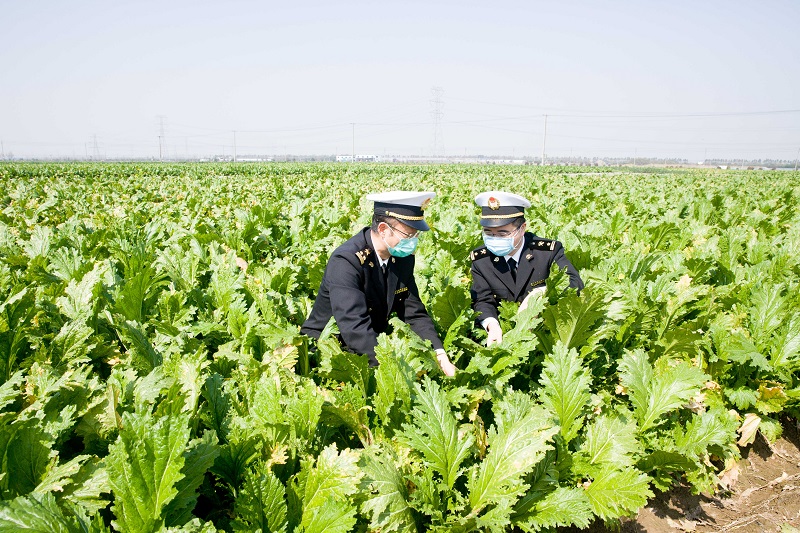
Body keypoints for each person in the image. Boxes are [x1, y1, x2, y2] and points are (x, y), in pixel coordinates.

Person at [301, 191, 457, 376]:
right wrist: (395, 371)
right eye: (408, 235)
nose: (413, 242)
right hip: (329, 352)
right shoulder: (346, 261)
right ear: (383, 229)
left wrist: (439, 355)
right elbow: (354, 328)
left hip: (373, 345)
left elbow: (414, 313)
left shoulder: (402, 258)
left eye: (416, 235)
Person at [470, 191, 584, 346]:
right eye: (489, 233)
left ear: (522, 228)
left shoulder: (547, 252)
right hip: (504, 336)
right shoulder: (481, 260)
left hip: (546, 336)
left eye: (503, 233)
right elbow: (482, 300)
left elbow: (575, 283)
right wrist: (492, 325)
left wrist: (541, 292)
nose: (494, 239)